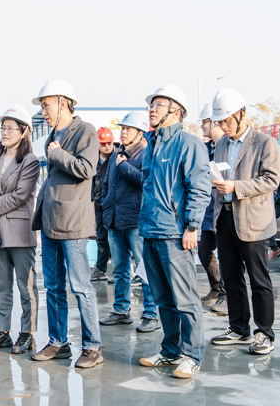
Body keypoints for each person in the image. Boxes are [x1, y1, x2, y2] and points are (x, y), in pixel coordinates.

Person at [137, 84, 211, 379]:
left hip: (176, 234)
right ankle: (170, 352)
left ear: (176, 111)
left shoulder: (189, 144)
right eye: (151, 105)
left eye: (158, 104)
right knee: (163, 298)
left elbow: (199, 187)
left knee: (185, 299)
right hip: (151, 231)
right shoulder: (151, 145)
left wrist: (192, 225)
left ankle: (192, 356)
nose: (152, 109)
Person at [29, 80, 103, 368]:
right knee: (53, 286)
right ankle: (58, 342)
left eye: (46, 105)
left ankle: (92, 347)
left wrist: (58, 154)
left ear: (63, 102)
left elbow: (87, 169)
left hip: (72, 223)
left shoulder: (85, 132)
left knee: (80, 286)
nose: (44, 112)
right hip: (51, 222)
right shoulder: (52, 137)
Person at [209, 89, 280, 355]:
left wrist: (235, 187)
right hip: (225, 217)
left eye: (227, 120)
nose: (223, 126)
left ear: (241, 114)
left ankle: (264, 333)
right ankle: (239, 328)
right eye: (219, 122)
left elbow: (271, 179)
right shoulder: (222, 144)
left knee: (258, 279)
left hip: (253, 221)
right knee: (231, 277)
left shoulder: (264, 143)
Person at [0, 106, 41, 354]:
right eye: (2, 128)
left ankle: (27, 334)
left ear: (24, 132)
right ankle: (2, 332)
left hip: (20, 232)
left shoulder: (30, 161)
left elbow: (20, 195)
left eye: (11, 128)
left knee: (27, 287)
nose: (5, 132)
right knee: (0, 286)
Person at [99, 111, 160, 333]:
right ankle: (121, 310)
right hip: (115, 221)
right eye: (122, 128)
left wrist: (124, 166)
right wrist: (105, 205)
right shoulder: (117, 155)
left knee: (145, 269)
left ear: (140, 132)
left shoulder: (148, 154)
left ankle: (151, 314)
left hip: (136, 221)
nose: (123, 132)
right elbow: (106, 184)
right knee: (120, 270)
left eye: (128, 129)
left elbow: (146, 181)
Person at [197, 103, 228, 315]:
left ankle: (226, 295)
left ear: (214, 122)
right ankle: (216, 288)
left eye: (204, 122)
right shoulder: (205, 149)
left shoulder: (229, 148)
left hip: (224, 207)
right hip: (207, 210)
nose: (202, 126)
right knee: (204, 250)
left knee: (226, 254)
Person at [90, 127, 116, 282]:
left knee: (116, 239)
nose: (107, 146)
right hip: (99, 205)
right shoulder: (93, 159)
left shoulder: (118, 157)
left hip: (114, 206)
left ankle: (119, 272)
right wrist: (92, 199)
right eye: (103, 143)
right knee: (101, 238)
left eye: (109, 143)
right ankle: (101, 269)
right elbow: (91, 182)